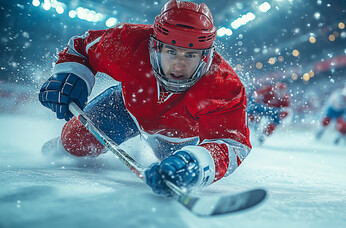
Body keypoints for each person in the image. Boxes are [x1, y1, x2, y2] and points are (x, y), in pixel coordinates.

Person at [38, 0, 251, 196]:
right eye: (171, 52)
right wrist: (71, 74)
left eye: (190, 55)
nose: (178, 65)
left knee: (176, 171)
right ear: (155, 47)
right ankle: (58, 148)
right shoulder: (127, 43)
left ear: (205, 56)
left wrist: (195, 162)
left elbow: (232, 143)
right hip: (124, 109)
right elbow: (83, 46)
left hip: (179, 138)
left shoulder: (223, 86)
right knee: (74, 140)